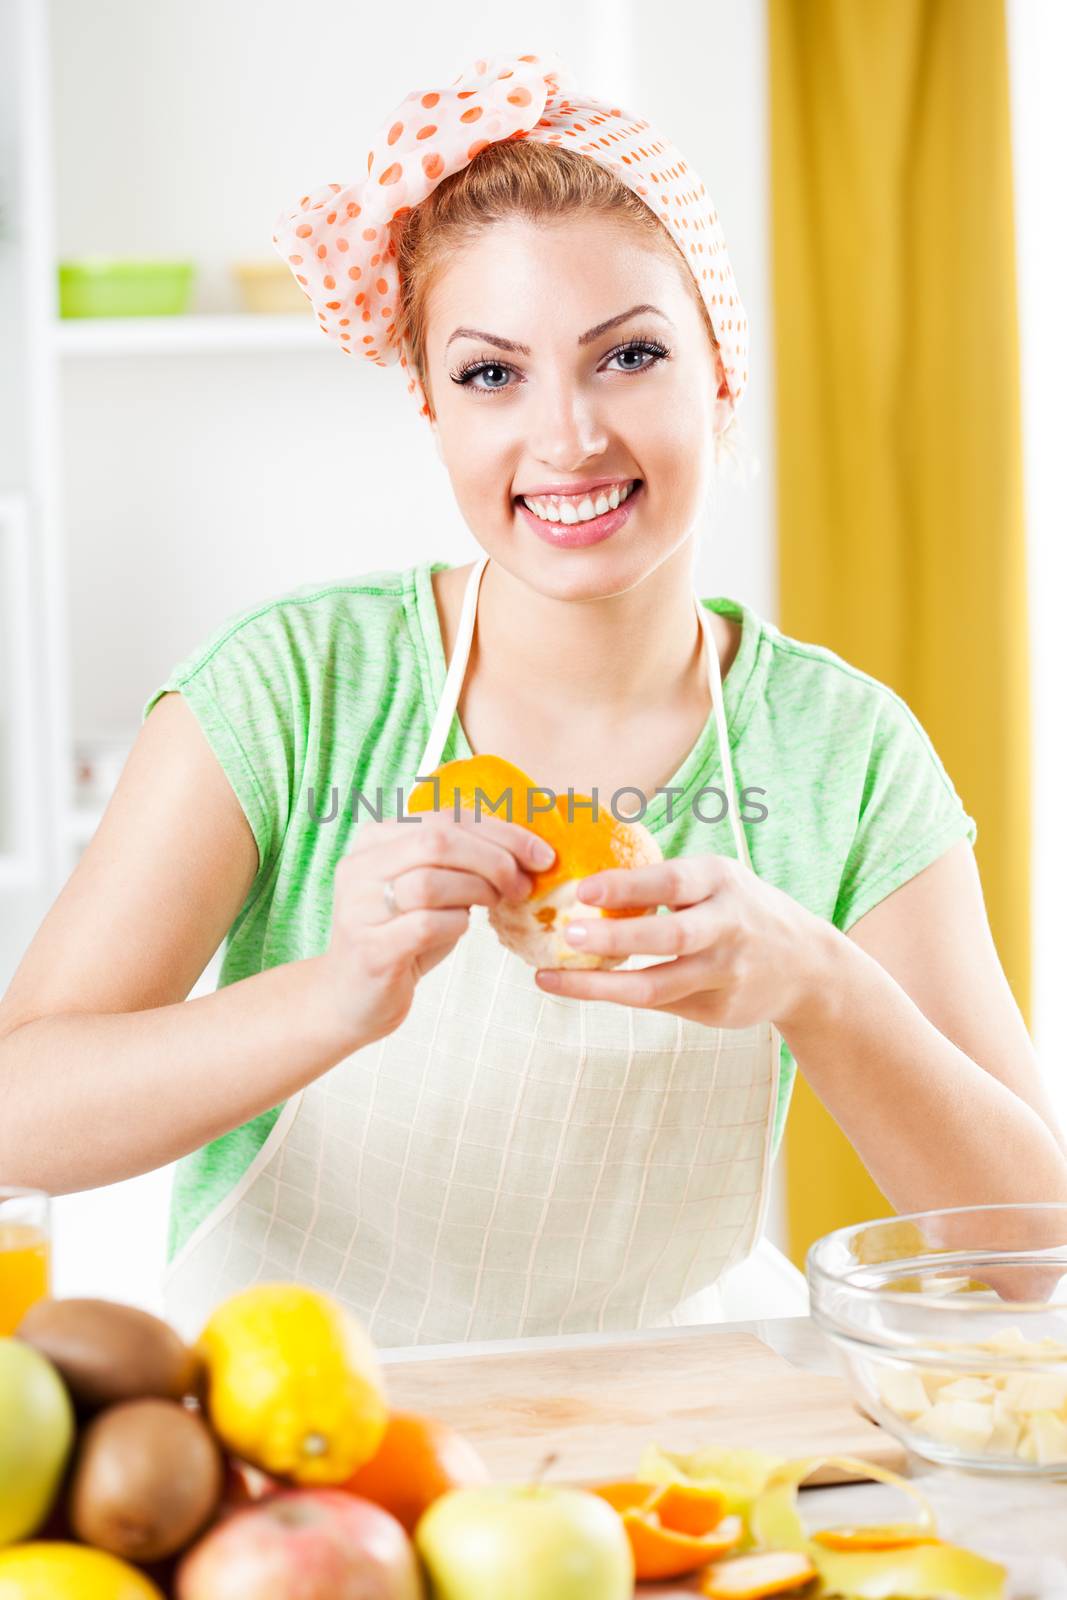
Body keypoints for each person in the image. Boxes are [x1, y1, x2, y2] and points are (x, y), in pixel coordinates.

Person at [1, 52, 1064, 1348]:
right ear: (432, 409)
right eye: (491, 375)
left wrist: (817, 985)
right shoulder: (293, 693)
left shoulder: (839, 751)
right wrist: (335, 994)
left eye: (628, 355)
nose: (566, 438)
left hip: (672, 1465)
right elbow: (17, 1113)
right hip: (304, 1458)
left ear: (721, 377)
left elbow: (1030, 1254)